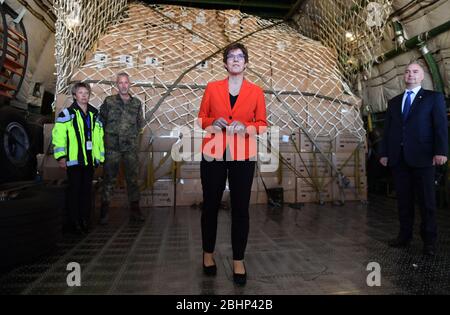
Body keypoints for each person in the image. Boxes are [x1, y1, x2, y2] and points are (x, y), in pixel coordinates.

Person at [198, 43, 267, 285]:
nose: (235, 60)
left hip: (243, 154)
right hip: (213, 152)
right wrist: (212, 123)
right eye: (231, 56)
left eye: (240, 57)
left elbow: (262, 123)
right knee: (210, 205)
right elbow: (201, 119)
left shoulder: (256, 91)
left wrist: (247, 127)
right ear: (225, 63)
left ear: (246, 63)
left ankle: (238, 259)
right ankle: (208, 255)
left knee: (240, 208)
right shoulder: (212, 88)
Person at [379, 62, 448, 256]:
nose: (411, 74)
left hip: (424, 157)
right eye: (408, 71)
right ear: (404, 76)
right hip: (399, 158)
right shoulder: (394, 102)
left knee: (427, 202)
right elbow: (388, 131)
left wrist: (441, 151)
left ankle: (429, 242)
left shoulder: (433, 98)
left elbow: (440, 127)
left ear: (422, 76)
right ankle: (404, 236)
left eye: (415, 71)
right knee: (403, 200)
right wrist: (384, 153)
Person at [52, 82, 105, 234]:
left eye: (86, 93)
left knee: (86, 191)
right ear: (74, 96)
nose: (84, 95)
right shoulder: (67, 114)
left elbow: (99, 138)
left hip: (89, 161)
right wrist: (61, 157)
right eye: (80, 93)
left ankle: (85, 220)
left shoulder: (95, 114)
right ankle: (73, 222)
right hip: (74, 161)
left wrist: (99, 158)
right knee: (74, 191)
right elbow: (59, 136)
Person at [99, 72, 145, 224]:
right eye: (120, 83)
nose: (124, 85)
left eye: (126, 82)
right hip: (112, 148)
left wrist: (130, 137)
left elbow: (140, 124)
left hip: (130, 148)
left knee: (132, 179)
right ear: (116, 85)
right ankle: (104, 211)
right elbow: (101, 121)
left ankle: (135, 210)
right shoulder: (109, 101)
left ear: (129, 84)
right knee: (109, 179)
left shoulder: (137, 103)